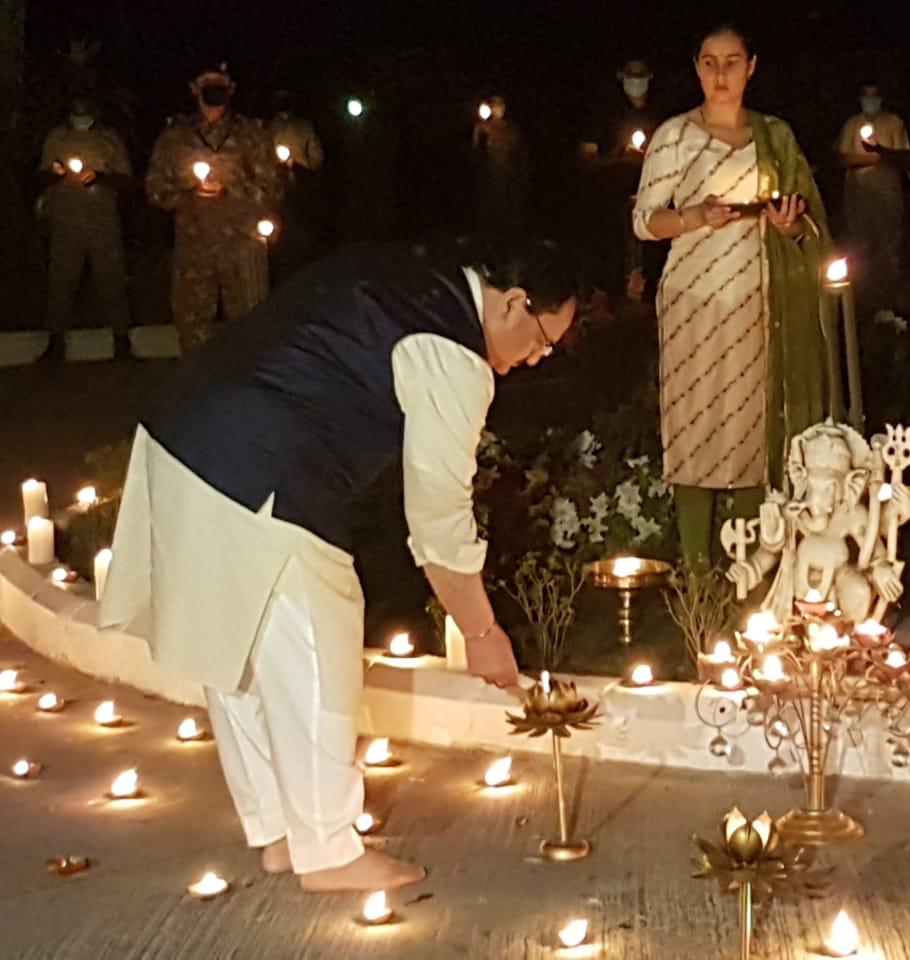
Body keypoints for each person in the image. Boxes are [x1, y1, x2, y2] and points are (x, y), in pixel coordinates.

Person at [99, 239, 579, 892]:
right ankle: (328, 848)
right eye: (544, 340)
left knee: (240, 640)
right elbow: (438, 516)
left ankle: (280, 832)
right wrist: (484, 634)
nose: (535, 359)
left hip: (185, 428)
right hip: (260, 458)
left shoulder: (413, 270)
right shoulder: (453, 353)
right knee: (317, 645)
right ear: (516, 303)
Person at [633, 23, 834, 569]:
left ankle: (751, 568)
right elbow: (643, 221)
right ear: (696, 67)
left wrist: (790, 227)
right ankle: (696, 571)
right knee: (695, 425)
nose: (721, 74)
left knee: (751, 430)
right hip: (691, 300)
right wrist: (695, 216)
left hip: (757, 300)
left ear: (752, 67)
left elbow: (806, 226)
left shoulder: (776, 137)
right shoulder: (674, 136)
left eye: (732, 62)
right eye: (709, 62)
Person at [145, 65, 282, 354]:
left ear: (231, 89)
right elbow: (155, 190)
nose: (214, 89)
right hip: (194, 248)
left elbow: (273, 187)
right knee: (192, 330)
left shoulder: (251, 134)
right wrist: (189, 191)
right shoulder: (175, 137)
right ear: (194, 88)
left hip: (242, 245)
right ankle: (199, 391)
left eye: (220, 84)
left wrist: (232, 186)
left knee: (252, 327)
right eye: (208, 83)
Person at [38, 94, 133, 361]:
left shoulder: (109, 139)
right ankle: (55, 342)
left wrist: (102, 177)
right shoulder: (57, 139)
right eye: (76, 109)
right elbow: (40, 176)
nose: (80, 113)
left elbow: (126, 181)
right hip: (65, 222)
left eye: (85, 109)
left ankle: (121, 339)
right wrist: (55, 173)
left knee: (112, 280)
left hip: (103, 223)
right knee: (60, 282)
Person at [579, 59, 663, 299]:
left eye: (641, 75)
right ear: (620, 76)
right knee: (612, 254)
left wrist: (646, 160)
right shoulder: (606, 116)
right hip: (609, 202)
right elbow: (585, 160)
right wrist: (616, 156)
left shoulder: (660, 117)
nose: (636, 81)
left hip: (651, 202)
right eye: (631, 75)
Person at [836, 83, 910, 312]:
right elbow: (842, 158)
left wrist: (881, 152)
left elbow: (903, 156)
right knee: (860, 243)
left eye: (874, 96)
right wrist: (873, 158)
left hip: (887, 193)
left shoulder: (894, 123)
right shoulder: (852, 124)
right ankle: (863, 297)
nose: (870, 101)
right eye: (866, 96)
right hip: (858, 194)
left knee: (889, 244)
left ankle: (891, 296)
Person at [266, 89, 325, 277]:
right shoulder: (267, 127)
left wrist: (301, 166)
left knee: (300, 224)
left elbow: (316, 157)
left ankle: (302, 267)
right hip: (275, 181)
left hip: (300, 182)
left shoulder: (303, 126)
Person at [472, 96, 530, 247]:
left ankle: (509, 246)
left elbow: (520, 155)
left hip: (508, 177)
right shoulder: (482, 128)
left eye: (499, 106)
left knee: (508, 214)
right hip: (489, 177)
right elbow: (476, 153)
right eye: (494, 106)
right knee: (488, 213)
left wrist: (521, 178)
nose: (496, 109)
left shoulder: (512, 130)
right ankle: (487, 246)